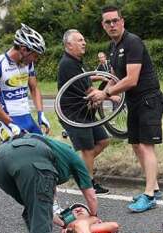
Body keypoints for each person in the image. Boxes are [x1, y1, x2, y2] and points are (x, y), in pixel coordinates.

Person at [87, 5, 163, 213]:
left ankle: (148, 196)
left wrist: (105, 94)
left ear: (122, 21)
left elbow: (131, 79)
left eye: (115, 21)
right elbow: (114, 78)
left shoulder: (132, 42)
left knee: (147, 146)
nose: (112, 25)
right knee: (136, 144)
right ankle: (154, 188)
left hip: (149, 99)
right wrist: (101, 93)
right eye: (108, 22)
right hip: (133, 101)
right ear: (103, 26)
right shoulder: (113, 47)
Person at [57, 29, 110, 195]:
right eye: (80, 40)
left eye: (83, 39)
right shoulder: (67, 64)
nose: (84, 42)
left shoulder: (78, 61)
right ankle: (89, 184)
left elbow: (86, 79)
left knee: (103, 141)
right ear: (69, 44)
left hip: (85, 113)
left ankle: (76, 166)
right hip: (73, 115)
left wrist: (100, 79)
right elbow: (87, 90)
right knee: (87, 149)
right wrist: (109, 96)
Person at [0, 24, 50, 142]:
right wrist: (10, 124)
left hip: (27, 117)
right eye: (34, 55)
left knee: (44, 149)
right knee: (20, 157)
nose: (35, 59)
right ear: (24, 49)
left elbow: (34, 88)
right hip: (8, 120)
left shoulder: (28, 63)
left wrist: (41, 113)